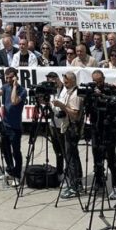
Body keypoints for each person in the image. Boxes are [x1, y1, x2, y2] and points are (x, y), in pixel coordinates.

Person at [52, 70, 82, 198]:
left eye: (66, 81)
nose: (64, 83)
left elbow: (74, 114)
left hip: (72, 128)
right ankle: (75, 182)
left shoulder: (75, 94)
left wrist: (62, 106)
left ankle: (74, 186)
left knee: (71, 158)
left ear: (73, 81)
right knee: (71, 156)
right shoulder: (68, 91)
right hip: (67, 127)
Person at [0, 67, 25, 185]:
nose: (8, 80)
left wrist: (14, 86)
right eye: (7, 77)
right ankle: (10, 170)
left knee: (16, 151)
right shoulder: (4, 87)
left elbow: (14, 101)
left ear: (15, 77)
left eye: (10, 78)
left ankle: (17, 174)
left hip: (15, 126)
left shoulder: (22, 90)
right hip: (5, 124)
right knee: (5, 150)